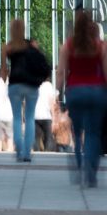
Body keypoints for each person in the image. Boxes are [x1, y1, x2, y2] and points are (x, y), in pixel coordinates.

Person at [55, 10, 107, 187]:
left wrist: (57, 92)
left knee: (77, 133)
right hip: (97, 92)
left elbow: (61, 72)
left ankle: (79, 164)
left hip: (75, 91)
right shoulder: (101, 46)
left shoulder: (68, 46)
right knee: (93, 133)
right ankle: (91, 171)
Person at [0, 19, 49, 162]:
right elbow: (40, 62)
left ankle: (19, 149)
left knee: (16, 118)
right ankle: (27, 152)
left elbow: (4, 70)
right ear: (23, 29)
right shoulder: (31, 46)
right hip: (32, 85)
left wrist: (4, 80)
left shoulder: (7, 47)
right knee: (29, 118)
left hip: (15, 85)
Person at [33, 80, 57, 152]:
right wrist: (54, 118)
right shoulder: (48, 85)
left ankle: (36, 156)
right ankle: (47, 156)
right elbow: (52, 102)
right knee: (48, 138)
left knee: (36, 138)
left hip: (35, 116)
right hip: (46, 116)